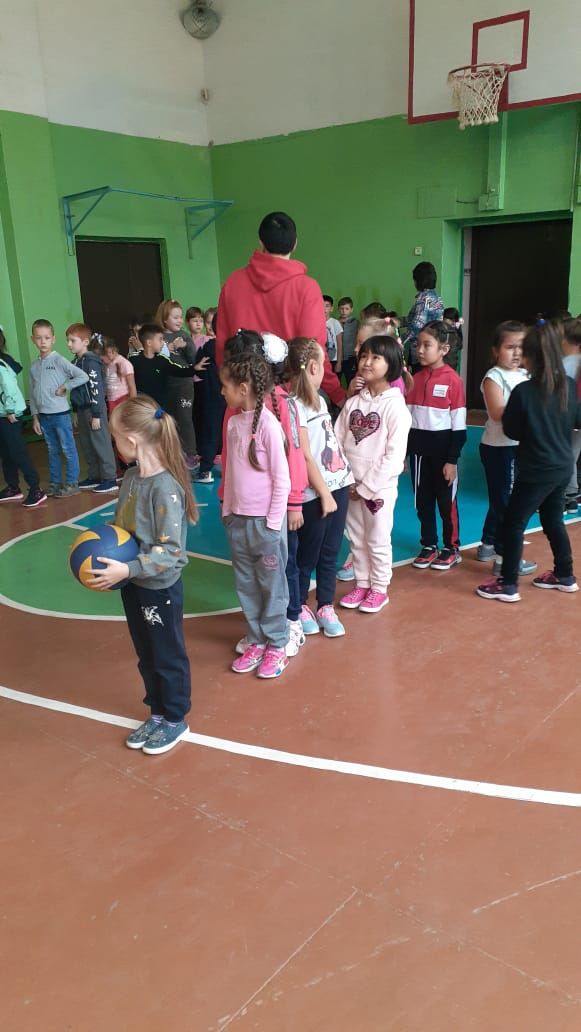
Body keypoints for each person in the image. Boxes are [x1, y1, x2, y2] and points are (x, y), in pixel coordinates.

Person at [91, 395, 196, 754]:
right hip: (132, 583)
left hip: (158, 587)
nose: (114, 444)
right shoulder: (132, 478)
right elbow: (123, 529)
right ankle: (157, 712)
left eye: (115, 438)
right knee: (146, 653)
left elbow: (172, 552)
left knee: (167, 654)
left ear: (132, 441)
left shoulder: (165, 488)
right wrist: (106, 547)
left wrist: (130, 567)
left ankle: (176, 718)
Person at [477, 320, 580, 602]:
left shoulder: (524, 391)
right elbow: (576, 420)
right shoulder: (568, 386)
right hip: (562, 466)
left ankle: (508, 584)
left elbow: (512, 430)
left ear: (530, 357)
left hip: (537, 469)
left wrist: (533, 428)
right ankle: (565, 574)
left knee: (513, 522)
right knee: (552, 519)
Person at [220, 330, 307, 657]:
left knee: (272, 586)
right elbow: (231, 473)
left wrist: (273, 523)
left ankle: (277, 642)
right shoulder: (233, 425)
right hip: (238, 521)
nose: (222, 391)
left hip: (265, 525)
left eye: (226, 386)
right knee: (246, 584)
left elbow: (282, 479)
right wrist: (228, 512)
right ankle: (256, 639)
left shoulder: (269, 425)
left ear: (243, 389)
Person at [215, 211, 345, 408]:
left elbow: (222, 351)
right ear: (295, 244)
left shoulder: (233, 283)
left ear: (260, 241)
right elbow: (314, 352)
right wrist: (337, 394)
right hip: (292, 402)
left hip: (244, 400)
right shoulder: (307, 288)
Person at [335, 335, 411, 613]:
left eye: (375, 357)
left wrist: (365, 488)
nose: (367, 362)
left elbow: (394, 458)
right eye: (364, 356)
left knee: (377, 539)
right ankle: (362, 583)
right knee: (356, 538)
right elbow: (336, 442)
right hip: (350, 486)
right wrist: (345, 480)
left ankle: (379, 588)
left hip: (377, 490)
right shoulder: (353, 404)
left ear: (391, 364)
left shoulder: (396, 407)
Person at [287, 337, 353, 637]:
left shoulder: (320, 400)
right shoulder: (292, 406)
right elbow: (305, 455)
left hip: (337, 486)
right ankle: (300, 604)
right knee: (307, 554)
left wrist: (342, 480)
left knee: (331, 551)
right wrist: (324, 493)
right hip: (316, 493)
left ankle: (326, 604)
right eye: (324, 364)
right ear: (314, 367)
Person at [476, 321, 536, 577]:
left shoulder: (525, 375)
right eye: (510, 347)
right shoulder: (494, 377)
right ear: (495, 350)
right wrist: (532, 411)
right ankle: (505, 559)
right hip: (500, 448)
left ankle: (488, 544)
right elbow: (498, 413)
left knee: (502, 500)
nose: (516, 352)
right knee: (507, 505)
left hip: (517, 447)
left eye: (521, 347)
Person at [406, 321, 467, 570]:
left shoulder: (454, 381)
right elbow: (406, 422)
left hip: (443, 456)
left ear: (444, 349)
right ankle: (429, 544)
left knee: (445, 502)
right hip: (419, 455)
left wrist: (452, 460)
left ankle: (451, 547)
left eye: (427, 345)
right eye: (418, 344)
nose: (420, 350)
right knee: (423, 502)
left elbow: (459, 428)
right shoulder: (414, 380)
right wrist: (403, 455)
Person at [28, 319, 88, 497]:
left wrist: (65, 387)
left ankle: (72, 482)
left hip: (60, 414)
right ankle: (55, 483)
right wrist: (35, 416)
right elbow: (32, 393)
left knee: (68, 449)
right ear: (33, 339)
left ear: (53, 339)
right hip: (44, 416)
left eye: (47, 337)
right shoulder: (34, 367)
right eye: (39, 338)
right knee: (52, 450)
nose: (43, 341)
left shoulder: (59, 360)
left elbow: (82, 376)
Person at [66, 323, 118, 494]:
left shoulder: (91, 362)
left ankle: (109, 477)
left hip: (94, 409)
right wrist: (75, 410)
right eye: (68, 340)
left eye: (73, 340)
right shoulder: (76, 362)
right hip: (81, 409)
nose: (69, 344)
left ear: (85, 342)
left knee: (101, 442)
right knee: (87, 444)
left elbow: (96, 388)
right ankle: (94, 475)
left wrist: (96, 414)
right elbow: (75, 388)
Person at [0, 329, 46, 508]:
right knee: (6, 453)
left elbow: (8, 387)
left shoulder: (2, 364)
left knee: (17, 452)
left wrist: (10, 409)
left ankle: (36, 489)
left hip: (10, 415)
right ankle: (13, 487)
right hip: (2, 415)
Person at [155, 300, 198, 466]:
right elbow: (155, 358)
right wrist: (168, 348)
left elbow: (193, 359)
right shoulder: (159, 337)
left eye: (180, 317)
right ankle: (172, 454)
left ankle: (191, 454)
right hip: (166, 385)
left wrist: (185, 346)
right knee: (168, 420)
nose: (180, 320)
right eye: (175, 317)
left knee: (185, 418)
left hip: (184, 384)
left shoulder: (184, 335)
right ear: (164, 319)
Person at [130, 324, 207, 409]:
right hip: (140, 406)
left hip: (159, 406)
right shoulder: (133, 360)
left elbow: (179, 371)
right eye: (160, 339)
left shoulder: (162, 360)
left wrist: (195, 368)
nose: (163, 343)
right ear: (149, 342)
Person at [192, 313, 226, 485]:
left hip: (212, 396)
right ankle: (230, 470)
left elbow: (199, 370)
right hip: (232, 397)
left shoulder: (209, 347)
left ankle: (205, 470)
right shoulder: (235, 347)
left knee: (210, 433)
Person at [402, 262, 444, 373]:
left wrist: (399, 341)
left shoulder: (423, 298)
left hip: (421, 350)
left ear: (419, 280)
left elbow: (417, 325)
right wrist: (398, 321)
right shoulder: (437, 297)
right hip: (434, 348)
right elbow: (413, 318)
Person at [561, 318, 581, 513]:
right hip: (578, 419)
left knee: (566, 455)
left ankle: (567, 495)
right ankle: (571, 495)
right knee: (572, 454)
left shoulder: (565, 364)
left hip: (569, 417)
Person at [338, 296, 359, 383]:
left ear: (351, 310)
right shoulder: (335, 323)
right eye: (342, 308)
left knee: (351, 381)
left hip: (351, 357)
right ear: (338, 309)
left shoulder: (356, 323)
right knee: (336, 381)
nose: (344, 311)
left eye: (347, 309)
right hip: (337, 358)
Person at [323, 295, 343, 373]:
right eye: (321, 305)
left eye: (327, 306)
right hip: (321, 360)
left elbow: (339, 344)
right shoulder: (315, 322)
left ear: (331, 308)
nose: (324, 308)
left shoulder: (335, 322)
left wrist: (339, 362)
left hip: (333, 360)